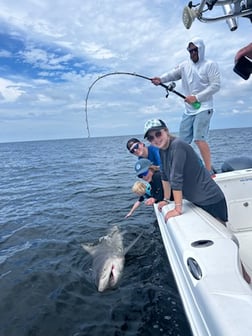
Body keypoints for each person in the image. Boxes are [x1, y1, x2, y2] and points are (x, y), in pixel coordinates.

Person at [151, 37, 220, 175]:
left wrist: (197, 97)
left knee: (199, 139)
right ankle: (186, 166)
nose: (193, 53)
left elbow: (215, 86)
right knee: (182, 141)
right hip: (189, 110)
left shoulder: (210, 64)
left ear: (201, 49)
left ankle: (208, 170)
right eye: (190, 51)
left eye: (195, 50)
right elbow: (172, 74)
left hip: (204, 106)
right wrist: (161, 79)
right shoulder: (184, 65)